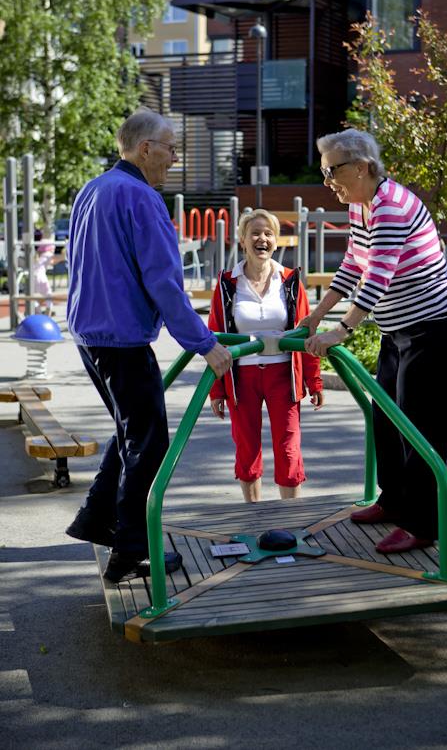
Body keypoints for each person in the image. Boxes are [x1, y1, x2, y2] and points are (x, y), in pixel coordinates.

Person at [65, 108, 232, 582]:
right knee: (149, 440)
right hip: (121, 338)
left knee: (132, 430)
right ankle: (131, 550)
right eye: (171, 149)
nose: (174, 159)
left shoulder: (92, 189)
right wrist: (204, 343)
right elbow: (164, 282)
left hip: (89, 332)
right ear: (145, 149)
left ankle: (97, 518)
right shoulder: (142, 198)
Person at [302, 128, 447, 554]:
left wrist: (343, 329)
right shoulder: (362, 205)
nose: (327, 181)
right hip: (398, 329)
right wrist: (315, 316)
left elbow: (378, 276)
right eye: (323, 173)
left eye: (332, 171)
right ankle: (393, 502)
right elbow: (354, 265)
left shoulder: (390, 206)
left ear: (361, 167)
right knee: (386, 416)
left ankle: (423, 524)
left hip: (433, 326)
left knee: (419, 425)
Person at [208, 208, 324, 502]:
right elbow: (214, 337)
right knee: (246, 447)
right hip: (241, 376)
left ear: (276, 241)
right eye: (255, 233)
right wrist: (216, 389)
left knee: (288, 447)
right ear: (243, 240)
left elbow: (306, 332)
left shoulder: (290, 281)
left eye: (269, 233)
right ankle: (254, 515)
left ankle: (291, 517)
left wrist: (315, 380)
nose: (263, 238)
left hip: (283, 374)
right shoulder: (226, 283)